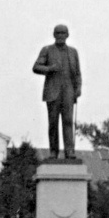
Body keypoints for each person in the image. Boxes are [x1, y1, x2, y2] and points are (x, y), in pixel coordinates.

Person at [32, 24, 82, 160]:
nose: (60, 35)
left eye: (63, 33)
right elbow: (36, 67)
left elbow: (77, 73)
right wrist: (50, 68)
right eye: (58, 33)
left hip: (68, 91)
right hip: (52, 91)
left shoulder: (73, 52)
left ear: (67, 35)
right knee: (53, 122)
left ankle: (69, 151)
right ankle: (54, 151)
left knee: (68, 121)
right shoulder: (47, 50)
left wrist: (78, 88)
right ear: (54, 35)